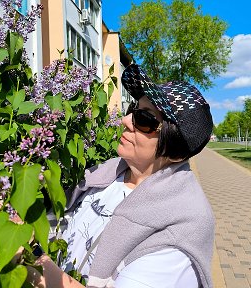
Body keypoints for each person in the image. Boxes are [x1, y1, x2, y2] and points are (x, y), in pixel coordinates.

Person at [28, 63, 215, 288]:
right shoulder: (106, 174)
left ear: (176, 150)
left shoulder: (183, 224)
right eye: (132, 111)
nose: (125, 121)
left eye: (144, 119)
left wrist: (25, 254)